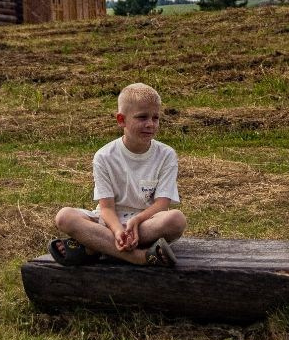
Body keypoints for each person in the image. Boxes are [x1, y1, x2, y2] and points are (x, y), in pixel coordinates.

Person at [50, 82, 187, 267]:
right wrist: (116, 231)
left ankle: (93, 247)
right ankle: (140, 257)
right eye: (142, 117)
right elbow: (106, 208)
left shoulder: (166, 154)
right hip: (108, 222)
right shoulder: (104, 156)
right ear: (121, 120)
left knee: (176, 220)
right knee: (64, 216)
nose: (150, 124)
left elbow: (162, 204)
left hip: (145, 224)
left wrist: (136, 221)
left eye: (155, 118)